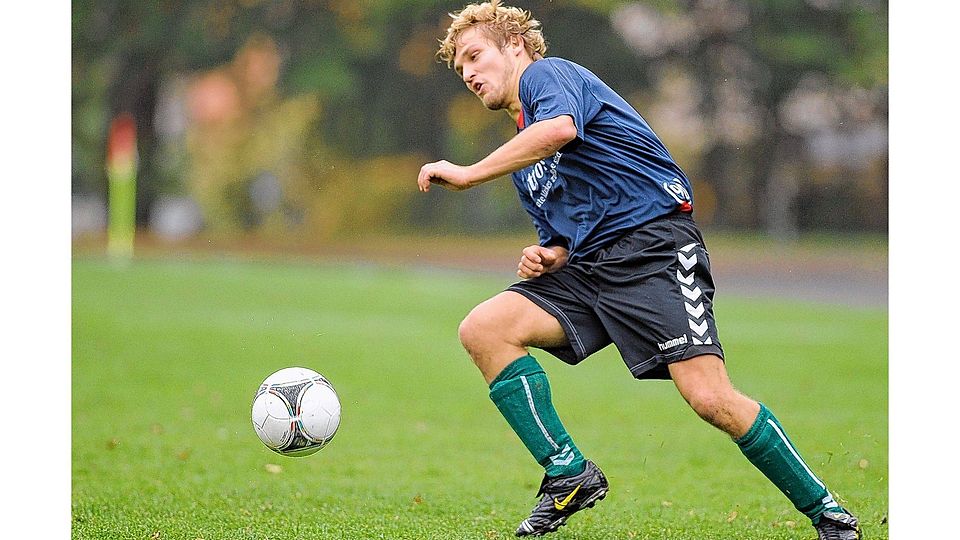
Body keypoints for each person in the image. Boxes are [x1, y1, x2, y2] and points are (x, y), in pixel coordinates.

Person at [417, 2, 862, 538]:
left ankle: (828, 512)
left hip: (654, 250)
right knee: (484, 329)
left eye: (474, 55)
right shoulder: (522, 159)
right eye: (458, 66)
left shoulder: (549, 76)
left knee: (710, 399)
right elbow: (559, 237)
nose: (467, 72)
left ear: (516, 47)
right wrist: (549, 255)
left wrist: (466, 174)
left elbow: (557, 130)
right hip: (590, 269)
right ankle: (568, 473)